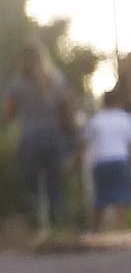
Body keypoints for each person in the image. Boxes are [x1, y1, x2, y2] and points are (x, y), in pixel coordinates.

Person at [6, 43, 76, 230]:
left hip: (30, 140)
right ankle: (59, 229)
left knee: (32, 189)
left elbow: (7, 114)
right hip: (54, 138)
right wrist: (72, 139)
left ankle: (38, 230)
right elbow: (68, 110)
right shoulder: (56, 79)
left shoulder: (18, 84)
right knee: (56, 187)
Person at [81, 87, 131, 233]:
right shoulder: (126, 118)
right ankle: (121, 227)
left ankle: (95, 230)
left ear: (104, 103)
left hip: (101, 162)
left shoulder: (96, 120)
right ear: (118, 102)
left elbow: (85, 141)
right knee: (121, 197)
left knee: (100, 198)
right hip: (120, 160)